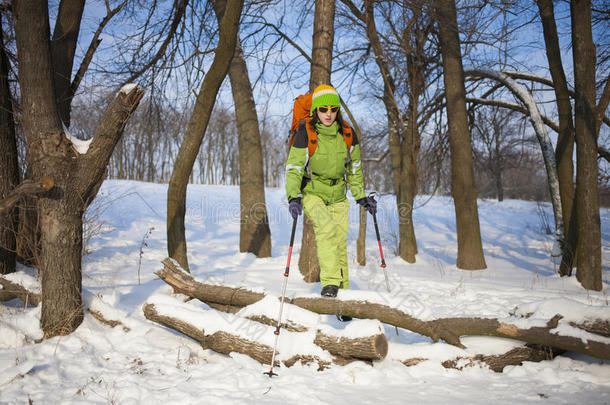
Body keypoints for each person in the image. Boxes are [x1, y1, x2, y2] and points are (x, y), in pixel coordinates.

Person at [285, 84, 377, 307]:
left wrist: (360, 195)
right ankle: (330, 285)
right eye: (323, 109)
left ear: (337, 111)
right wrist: (293, 196)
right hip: (313, 192)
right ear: (316, 110)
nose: (328, 114)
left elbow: (354, 167)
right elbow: (295, 167)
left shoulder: (346, 133)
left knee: (338, 242)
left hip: (338, 194)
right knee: (325, 230)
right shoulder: (306, 133)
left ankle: (343, 296)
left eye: (332, 109)